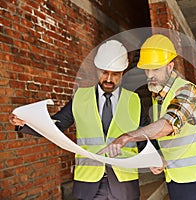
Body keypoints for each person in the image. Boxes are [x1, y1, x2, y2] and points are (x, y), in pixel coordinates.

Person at [9, 40, 149, 200]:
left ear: (123, 72)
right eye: (104, 72)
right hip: (89, 183)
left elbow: (144, 137)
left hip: (124, 184)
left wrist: (156, 158)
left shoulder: (134, 100)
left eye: (115, 74)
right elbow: (56, 126)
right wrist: (25, 123)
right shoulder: (80, 98)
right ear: (96, 69)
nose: (109, 79)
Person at [99, 34, 196, 200]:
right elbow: (175, 141)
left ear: (170, 67)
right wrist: (164, 160)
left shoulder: (187, 91)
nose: (149, 75)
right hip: (174, 179)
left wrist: (127, 137)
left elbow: (167, 126)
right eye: (146, 69)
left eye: (155, 69)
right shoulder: (159, 97)